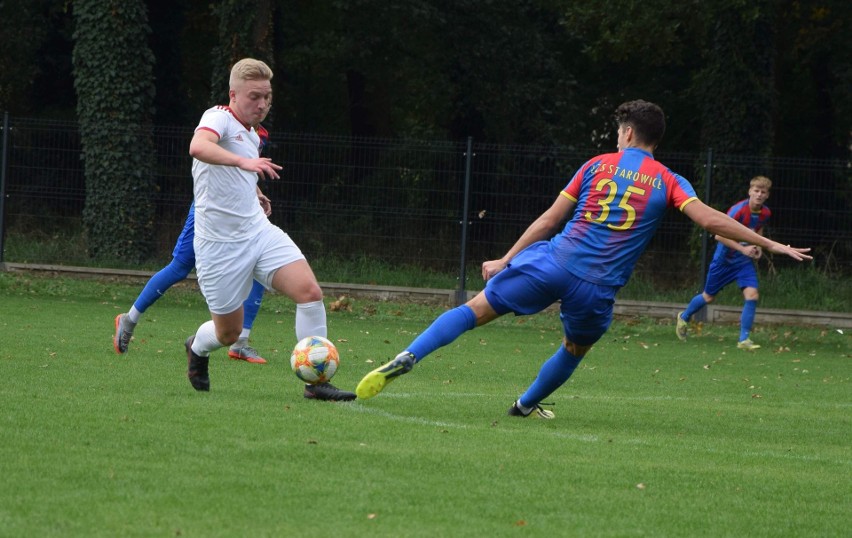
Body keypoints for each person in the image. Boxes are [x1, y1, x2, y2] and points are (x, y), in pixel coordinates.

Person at [355, 100, 811, 418]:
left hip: (552, 262)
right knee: (575, 348)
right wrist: (770, 244)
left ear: (627, 133)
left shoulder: (596, 165)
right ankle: (526, 404)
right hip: (596, 288)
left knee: (472, 310)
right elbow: (711, 221)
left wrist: (506, 258)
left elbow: (549, 220)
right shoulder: (669, 180)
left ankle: (410, 355)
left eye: (618, 130)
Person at [185, 57, 354, 401]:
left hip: (258, 232)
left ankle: (317, 384)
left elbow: (232, 175)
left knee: (309, 293)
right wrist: (246, 163)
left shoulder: (250, 133)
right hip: (219, 246)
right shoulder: (218, 117)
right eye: (254, 97)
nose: (261, 104)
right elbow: (199, 146)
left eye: (267, 97)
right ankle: (197, 349)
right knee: (228, 333)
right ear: (233, 94)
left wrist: (256, 190)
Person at [113, 200, 270, 364]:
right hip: (207, 209)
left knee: (256, 265)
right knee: (179, 267)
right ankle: (129, 320)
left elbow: (244, 175)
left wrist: (255, 194)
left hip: (240, 212)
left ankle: (240, 343)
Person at [676, 176, 773, 350]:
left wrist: (758, 246)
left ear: (767, 195)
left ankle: (744, 340)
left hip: (743, 263)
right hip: (724, 261)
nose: (759, 195)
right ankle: (684, 317)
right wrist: (743, 249)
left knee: (752, 295)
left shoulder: (765, 213)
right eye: (756, 191)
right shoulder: (737, 211)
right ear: (749, 192)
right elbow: (719, 235)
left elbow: (758, 232)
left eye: (763, 192)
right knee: (708, 296)